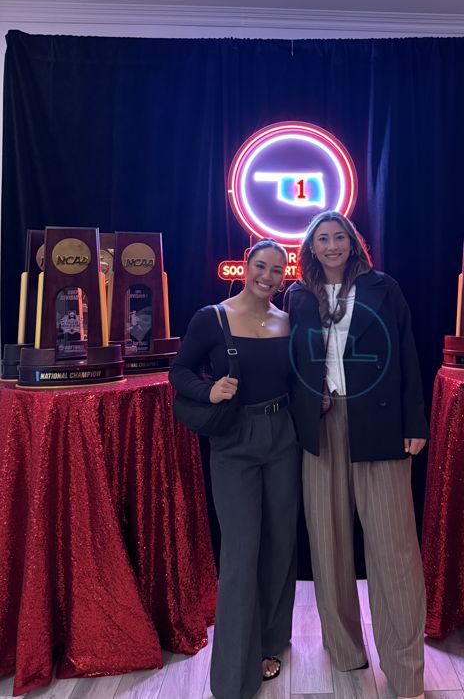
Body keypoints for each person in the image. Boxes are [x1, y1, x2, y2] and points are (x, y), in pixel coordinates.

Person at [285, 211, 428, 699]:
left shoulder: (384, 288)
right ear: (310, 247)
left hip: (380, 425)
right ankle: (345, 653)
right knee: (327, 545)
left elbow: (407, 354)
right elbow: (291, 362)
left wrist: (414, 423)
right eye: (322, 239)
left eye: (339, 237)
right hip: (321, 428)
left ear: (353, 243)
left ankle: (406, 673)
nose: (331, 246)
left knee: (394, 551)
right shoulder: (298, 295)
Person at [169, 239, 299, 699]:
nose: (268, 276)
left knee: (280, 544)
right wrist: (208, 392)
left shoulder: (287, 320)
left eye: (277, 270)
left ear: (285, 274)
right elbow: (179, 372)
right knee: (241, 554)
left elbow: (296, 378)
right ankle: (232, 679)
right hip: (235, 441)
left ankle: (270, 643)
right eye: (260, 266)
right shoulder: (213, 317)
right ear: (245, 267)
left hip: (283, 436)